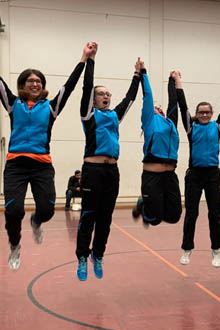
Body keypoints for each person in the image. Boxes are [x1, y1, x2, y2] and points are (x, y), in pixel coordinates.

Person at [0, 31, 92, 270]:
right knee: (13, 210)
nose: (35, 83)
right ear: (23, 85)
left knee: (47, 209)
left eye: (38, 81)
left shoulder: (51, 108)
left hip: (42, 165)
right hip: (16, 165)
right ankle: (15, 245)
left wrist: (83, 58)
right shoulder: (13, 104)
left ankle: (36, 221)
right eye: (30, 81)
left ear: (42, 86)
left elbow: (70, 86)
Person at [75, 44, 141, 281]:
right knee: (89, 215)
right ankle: (82, 257)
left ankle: (98, 255)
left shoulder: (114, 116)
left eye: (108, 95)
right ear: (94, 99)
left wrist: (138, 74)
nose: (106, 97)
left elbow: (130, 99)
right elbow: (85, 87)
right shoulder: (89, 114)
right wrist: (90, 59)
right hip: (92, 170)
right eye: (102, 94)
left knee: (105, 218)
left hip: (112, 172)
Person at [175, 67, 220, 267]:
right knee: (191, 212)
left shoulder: (217, 126)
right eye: (201, 112)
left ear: (211, 113)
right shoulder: (191, 128)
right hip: (194, 175)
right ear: (197, 114)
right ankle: (187, 249)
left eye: (207, 112)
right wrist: (178, 82)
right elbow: (182, 106)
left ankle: (216, 250)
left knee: (214, 213)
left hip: (212, 175)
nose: (204, 114)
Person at [131, 62, 181, 227]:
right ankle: (144, 205)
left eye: (159, 108)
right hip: (152, 175)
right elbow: (148, 96)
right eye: (154, 107)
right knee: (154, 220)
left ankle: (148, 205)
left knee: (174, 217)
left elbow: (174, 102)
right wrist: (143, 73)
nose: (157, 108)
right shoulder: (149, 121)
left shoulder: (171, 124)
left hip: (170, 176)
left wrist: (172, 80)